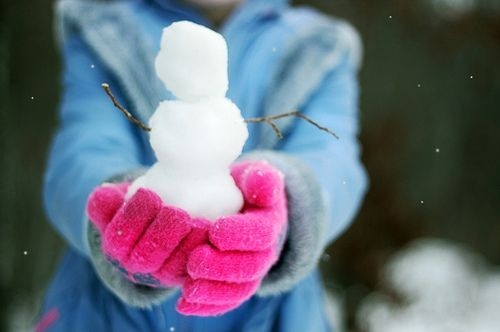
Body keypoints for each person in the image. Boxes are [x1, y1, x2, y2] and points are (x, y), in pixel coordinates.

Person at [37, 0, 368, 330]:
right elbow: (83, 151)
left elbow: (333, 161)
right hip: (108, 317)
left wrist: (289, 206)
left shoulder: (317, 46)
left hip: (274, 318)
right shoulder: (106, 28)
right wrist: (121, 215)